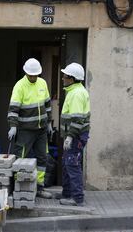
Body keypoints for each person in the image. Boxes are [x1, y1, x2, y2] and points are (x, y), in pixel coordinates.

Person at [7, 58, 53, 199]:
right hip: (25, 130)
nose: (33, 77)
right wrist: (13, 126)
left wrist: (49, 123)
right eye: (31, 75)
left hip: (41, 130)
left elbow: (47, 104)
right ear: (26, 73)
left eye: (35, 75)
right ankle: (17, 187)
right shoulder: (19, 86)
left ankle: (39, 187)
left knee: (42, 158)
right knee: (20, 157)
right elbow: (13, 109)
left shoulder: (42, 83)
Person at [56, 63, 90, 206]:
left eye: (65, 76)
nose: (63, 78)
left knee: (72, 165)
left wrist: (70, 137)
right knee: (67, 164)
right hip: (74, 135)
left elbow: (77, 120)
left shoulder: (76, 94)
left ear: (72, 78)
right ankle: (67, 193)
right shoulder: (75, 91)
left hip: (75, 136)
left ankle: (77, 198)